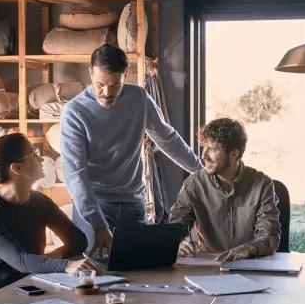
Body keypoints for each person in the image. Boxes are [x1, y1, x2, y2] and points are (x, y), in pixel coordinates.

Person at [61, 44, 202, 256]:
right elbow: (76, 177)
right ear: (90, 73)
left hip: (132, 203)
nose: (107, 93)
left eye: (115, 85)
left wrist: (201, 172)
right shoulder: (74, 113)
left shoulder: (139, 98)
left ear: (125, 75)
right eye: (100, 84)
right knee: (94, 271)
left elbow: (167, 139)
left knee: (139, 267)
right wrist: (98, 225)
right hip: (94, 206)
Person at [0, 133, 99, 304]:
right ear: (17, 168)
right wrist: (66, 265)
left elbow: (78, 241)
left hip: (28, 287)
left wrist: (49, 259)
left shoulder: (40, 201)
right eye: (33, 154)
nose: (41, 158)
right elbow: (21, 260)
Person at [169, 118, 280, 262]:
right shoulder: (194, 185)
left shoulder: (262, 185)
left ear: (234, 154)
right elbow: (173, 230)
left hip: (250, 264)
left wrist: (248, 248)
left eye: (213, 149)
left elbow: (270, 236)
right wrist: (178, 244)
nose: (203, 156)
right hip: (208, 267)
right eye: (204, 147)